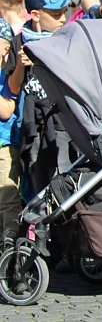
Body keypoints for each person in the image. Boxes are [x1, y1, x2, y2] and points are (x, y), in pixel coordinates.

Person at [7, 0, 79, 191]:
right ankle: (40, 220)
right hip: (33, 124)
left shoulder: (67, 37)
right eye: (56, 14)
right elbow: (13, 88)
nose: (63, 18)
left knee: (64, 175)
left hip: (63, 122)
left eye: (64, 12)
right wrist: (21, 65)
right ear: (36, 15)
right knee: (37, 177)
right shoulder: (19, 42)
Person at [0, 19, 19, 232]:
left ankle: (10, 245)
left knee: (6, 198)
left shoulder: (6, 75)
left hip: (4, 148)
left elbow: (6, 111)